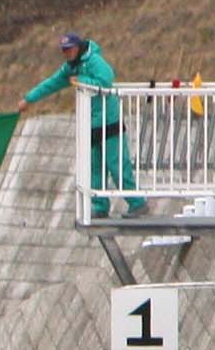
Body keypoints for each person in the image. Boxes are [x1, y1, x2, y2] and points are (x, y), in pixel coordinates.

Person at [24, 32, 135, 216]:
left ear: (77, 47)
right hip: (91, 124)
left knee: (117, 166)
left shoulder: (93, 60)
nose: (67, 53)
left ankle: (137, 203)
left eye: (69, 49)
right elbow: (51, 83)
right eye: (64, 50)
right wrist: (29, 98)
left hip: (109, 121)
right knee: (95, 169)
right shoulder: (71, 67)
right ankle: (100, 207)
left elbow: (106, 80)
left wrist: (82, 81)